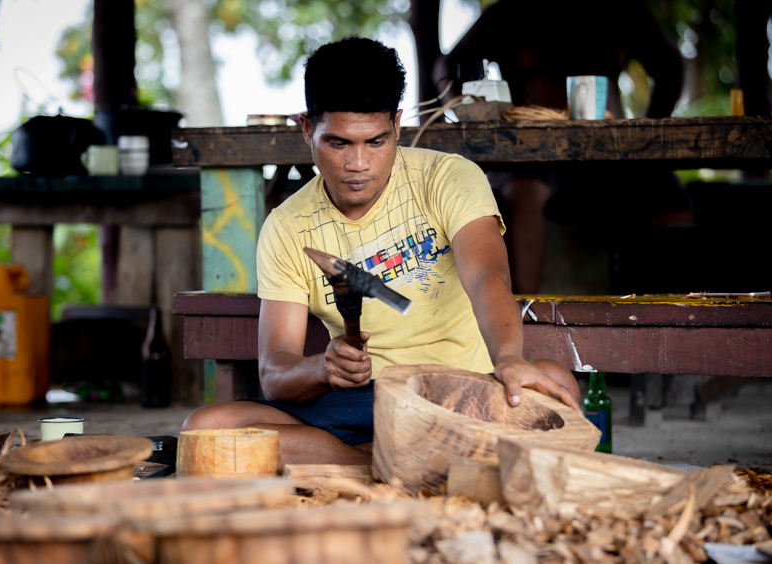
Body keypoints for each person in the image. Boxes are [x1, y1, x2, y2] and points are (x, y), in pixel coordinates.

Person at [182, 37, 580, 465]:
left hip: (459, 396)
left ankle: (365, 461)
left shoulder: (448, 178)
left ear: (397, 126)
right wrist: (323, 369)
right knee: (204, 429)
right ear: (305, 128)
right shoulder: (287, 225)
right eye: (338, 143)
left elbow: (488, 278)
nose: (358, 164)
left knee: (553, 383)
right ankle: (379, 463)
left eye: (375, 142)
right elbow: (276, 375)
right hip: (356, 404)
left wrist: (508, 358)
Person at [436, 0, 691, 293]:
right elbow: (448, 66)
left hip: (610, 157)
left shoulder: (622, 10)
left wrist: (644, 143)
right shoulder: (506, 13)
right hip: (527, 158)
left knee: (666, 195)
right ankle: (524, 320)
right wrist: (474, 120)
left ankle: (672, 314)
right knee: (524, 193)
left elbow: (670, 66)